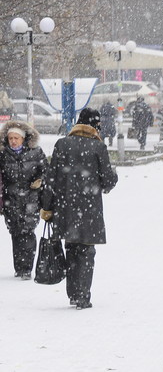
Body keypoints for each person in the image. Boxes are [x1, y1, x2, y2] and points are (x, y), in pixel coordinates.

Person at [39, 108, 118, 309]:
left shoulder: (62, 144)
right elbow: (108, 181)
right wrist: (111, 177)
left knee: (71, 247)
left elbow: (50, 179)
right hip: (89, 210)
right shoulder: (98, 147)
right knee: (86, 251)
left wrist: (47, 207)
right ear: (95, 126)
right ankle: (82, 295)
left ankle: (73, 293)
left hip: (64, 208)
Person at [0, 121, 45, 280]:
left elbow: (45, 171)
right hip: (10, 199)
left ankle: (26, 268)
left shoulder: (36, 152)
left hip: (30, 198)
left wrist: (40, 180)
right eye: (10, 138)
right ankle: (19, 267)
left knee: (28, 231)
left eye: (16, 138)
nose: (13, 141)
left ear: (23, 139)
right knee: (16, 233)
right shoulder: (3, 154)